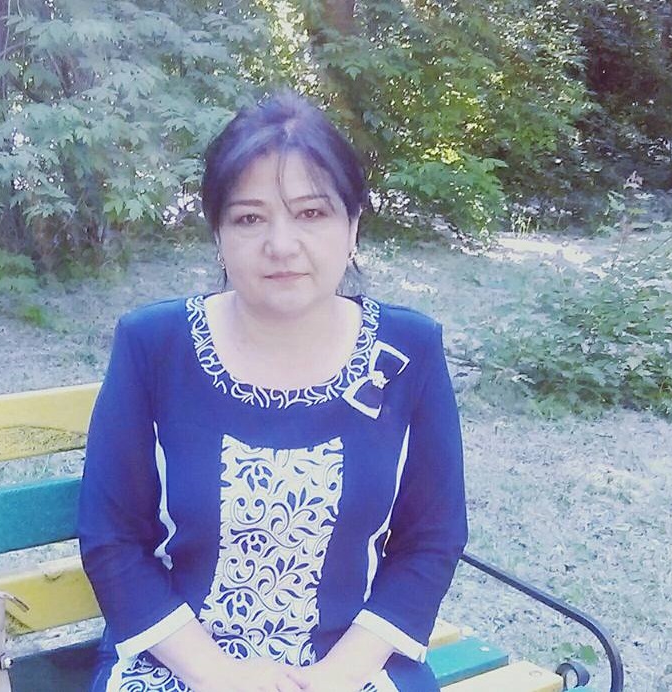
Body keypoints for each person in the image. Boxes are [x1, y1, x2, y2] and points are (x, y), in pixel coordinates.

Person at [78, 91, 467, 692]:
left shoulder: (406, 351)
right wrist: (220, 675)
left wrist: (333, 678)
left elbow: (430, 541)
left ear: (352, 226)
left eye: (311, 213)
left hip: (351, 664)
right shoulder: (154, 346)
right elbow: (113, 541)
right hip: (180, 661)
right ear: (218, 235)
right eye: (249, 218)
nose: (281, 245)